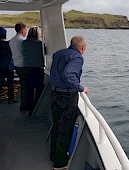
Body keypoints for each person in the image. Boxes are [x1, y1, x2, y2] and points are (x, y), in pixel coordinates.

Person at [50, 35, 88, 169]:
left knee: (56, 125)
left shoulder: (58, 54)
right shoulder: (77, 57)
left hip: (54, 94)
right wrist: (81, 88)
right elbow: (68, 74)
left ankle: (53, 154)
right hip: (67, 97)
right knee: (65, 129)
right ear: (82, 47)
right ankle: (59, 164)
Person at [22, 26, 45, 115]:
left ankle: (28, 106)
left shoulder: (23, 43)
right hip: (37, 68)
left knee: (29, 88)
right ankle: (36, 108)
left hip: (26, 67)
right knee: (39, 88)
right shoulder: (40, 44)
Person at [9, 22, 28, 111]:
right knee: (25, 86)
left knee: (23, 85)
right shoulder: (22, 41)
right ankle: (24, 105)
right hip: (23, 65)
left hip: (16, 65)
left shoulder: (12, 40)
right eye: (26, 29)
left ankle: (23, 104)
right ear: (22, 30)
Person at [0, 27, 16, 104]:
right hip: (9, 67)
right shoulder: (8, 44)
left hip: (0, 68)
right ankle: (11, 99)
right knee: (10, 84)